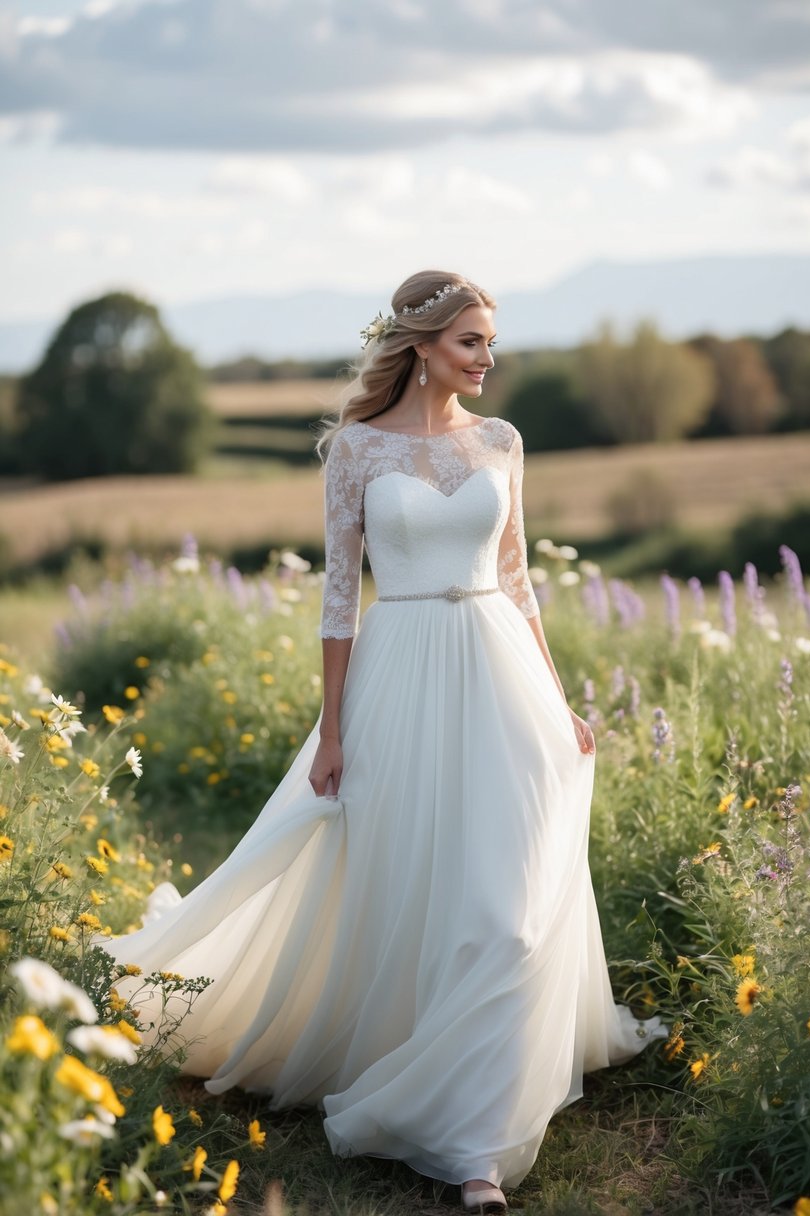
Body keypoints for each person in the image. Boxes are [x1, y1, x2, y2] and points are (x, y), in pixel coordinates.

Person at [104, 270, 664, 1215]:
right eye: (471, 342)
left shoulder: (501, 442)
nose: (488, 358)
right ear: (420, 346)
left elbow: (520, 579)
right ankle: (463, 1135)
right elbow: (337, 599)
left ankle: (477, 1134)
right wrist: (332, 728)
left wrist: (560, 699)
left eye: (490, 341)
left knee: (510, 904)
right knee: (413, 877)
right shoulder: (355, 451)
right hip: (400, 672)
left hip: (502, 677)